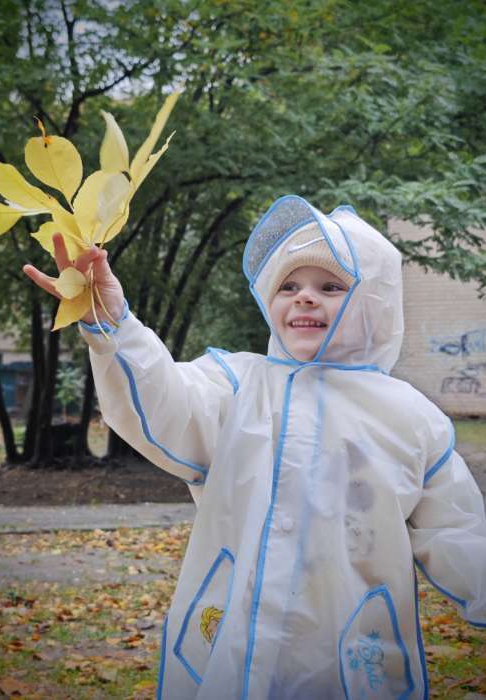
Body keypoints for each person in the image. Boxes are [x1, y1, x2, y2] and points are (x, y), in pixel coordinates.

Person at [24, 194, 486, 700]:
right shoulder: (235, 385)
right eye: (288, 285)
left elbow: (459, 533)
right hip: (233, 647)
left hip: (351, 649)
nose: (304, 297)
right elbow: (162, 402)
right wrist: (112, 323)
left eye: (331, 286)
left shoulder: (412, 419)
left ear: (373, 301)